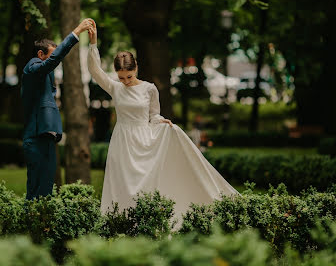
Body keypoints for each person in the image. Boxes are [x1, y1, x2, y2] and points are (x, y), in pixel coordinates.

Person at [86, 20, 239, 222]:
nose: (126, 82)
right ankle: (120, 223)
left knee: (146, 182)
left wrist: (161, 122)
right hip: (122, 141)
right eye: (121, 78)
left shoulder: (149, 88)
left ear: (136, 69)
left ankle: (147, 220)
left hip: (144, 139)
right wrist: (93, 43)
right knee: (122, 183)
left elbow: (153, 114)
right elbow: (95, 70)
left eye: (129, 77)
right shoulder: (115, 88)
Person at [21, 18, 93, 200]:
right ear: (40, 54)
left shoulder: (44, 74)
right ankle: (32, 224)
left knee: (46, 190)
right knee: (36, 191)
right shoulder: (32, 67)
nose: (55, 61)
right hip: (35, 138)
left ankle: (43, 225)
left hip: (46, 137)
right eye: (51, 55)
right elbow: (51, 62)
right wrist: (76, 32)